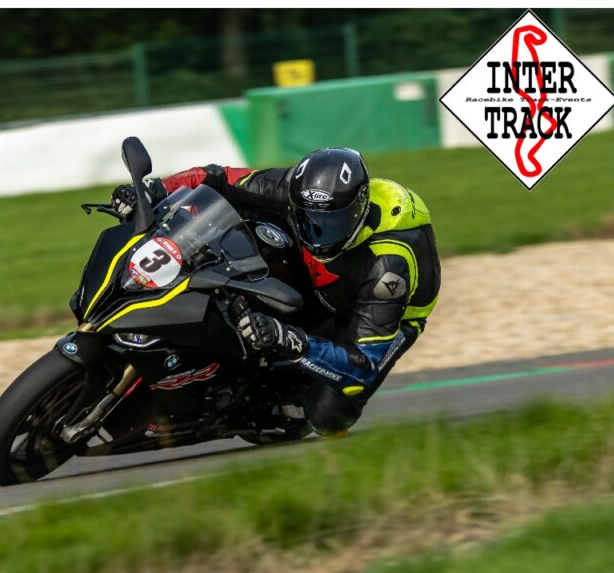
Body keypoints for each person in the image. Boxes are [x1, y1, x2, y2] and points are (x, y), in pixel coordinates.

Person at [110, 148, 441, 436]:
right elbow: (217, 178)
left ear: (358, 210)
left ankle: (274, 401)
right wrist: (157, 189)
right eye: (308, 218)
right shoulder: (297, 188)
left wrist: (290, 340)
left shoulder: (386, 268)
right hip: (322, 271)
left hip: (369, 307)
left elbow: (361, 365)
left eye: (331, 224)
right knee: (244, 225)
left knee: (329, 417)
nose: (318, 235)